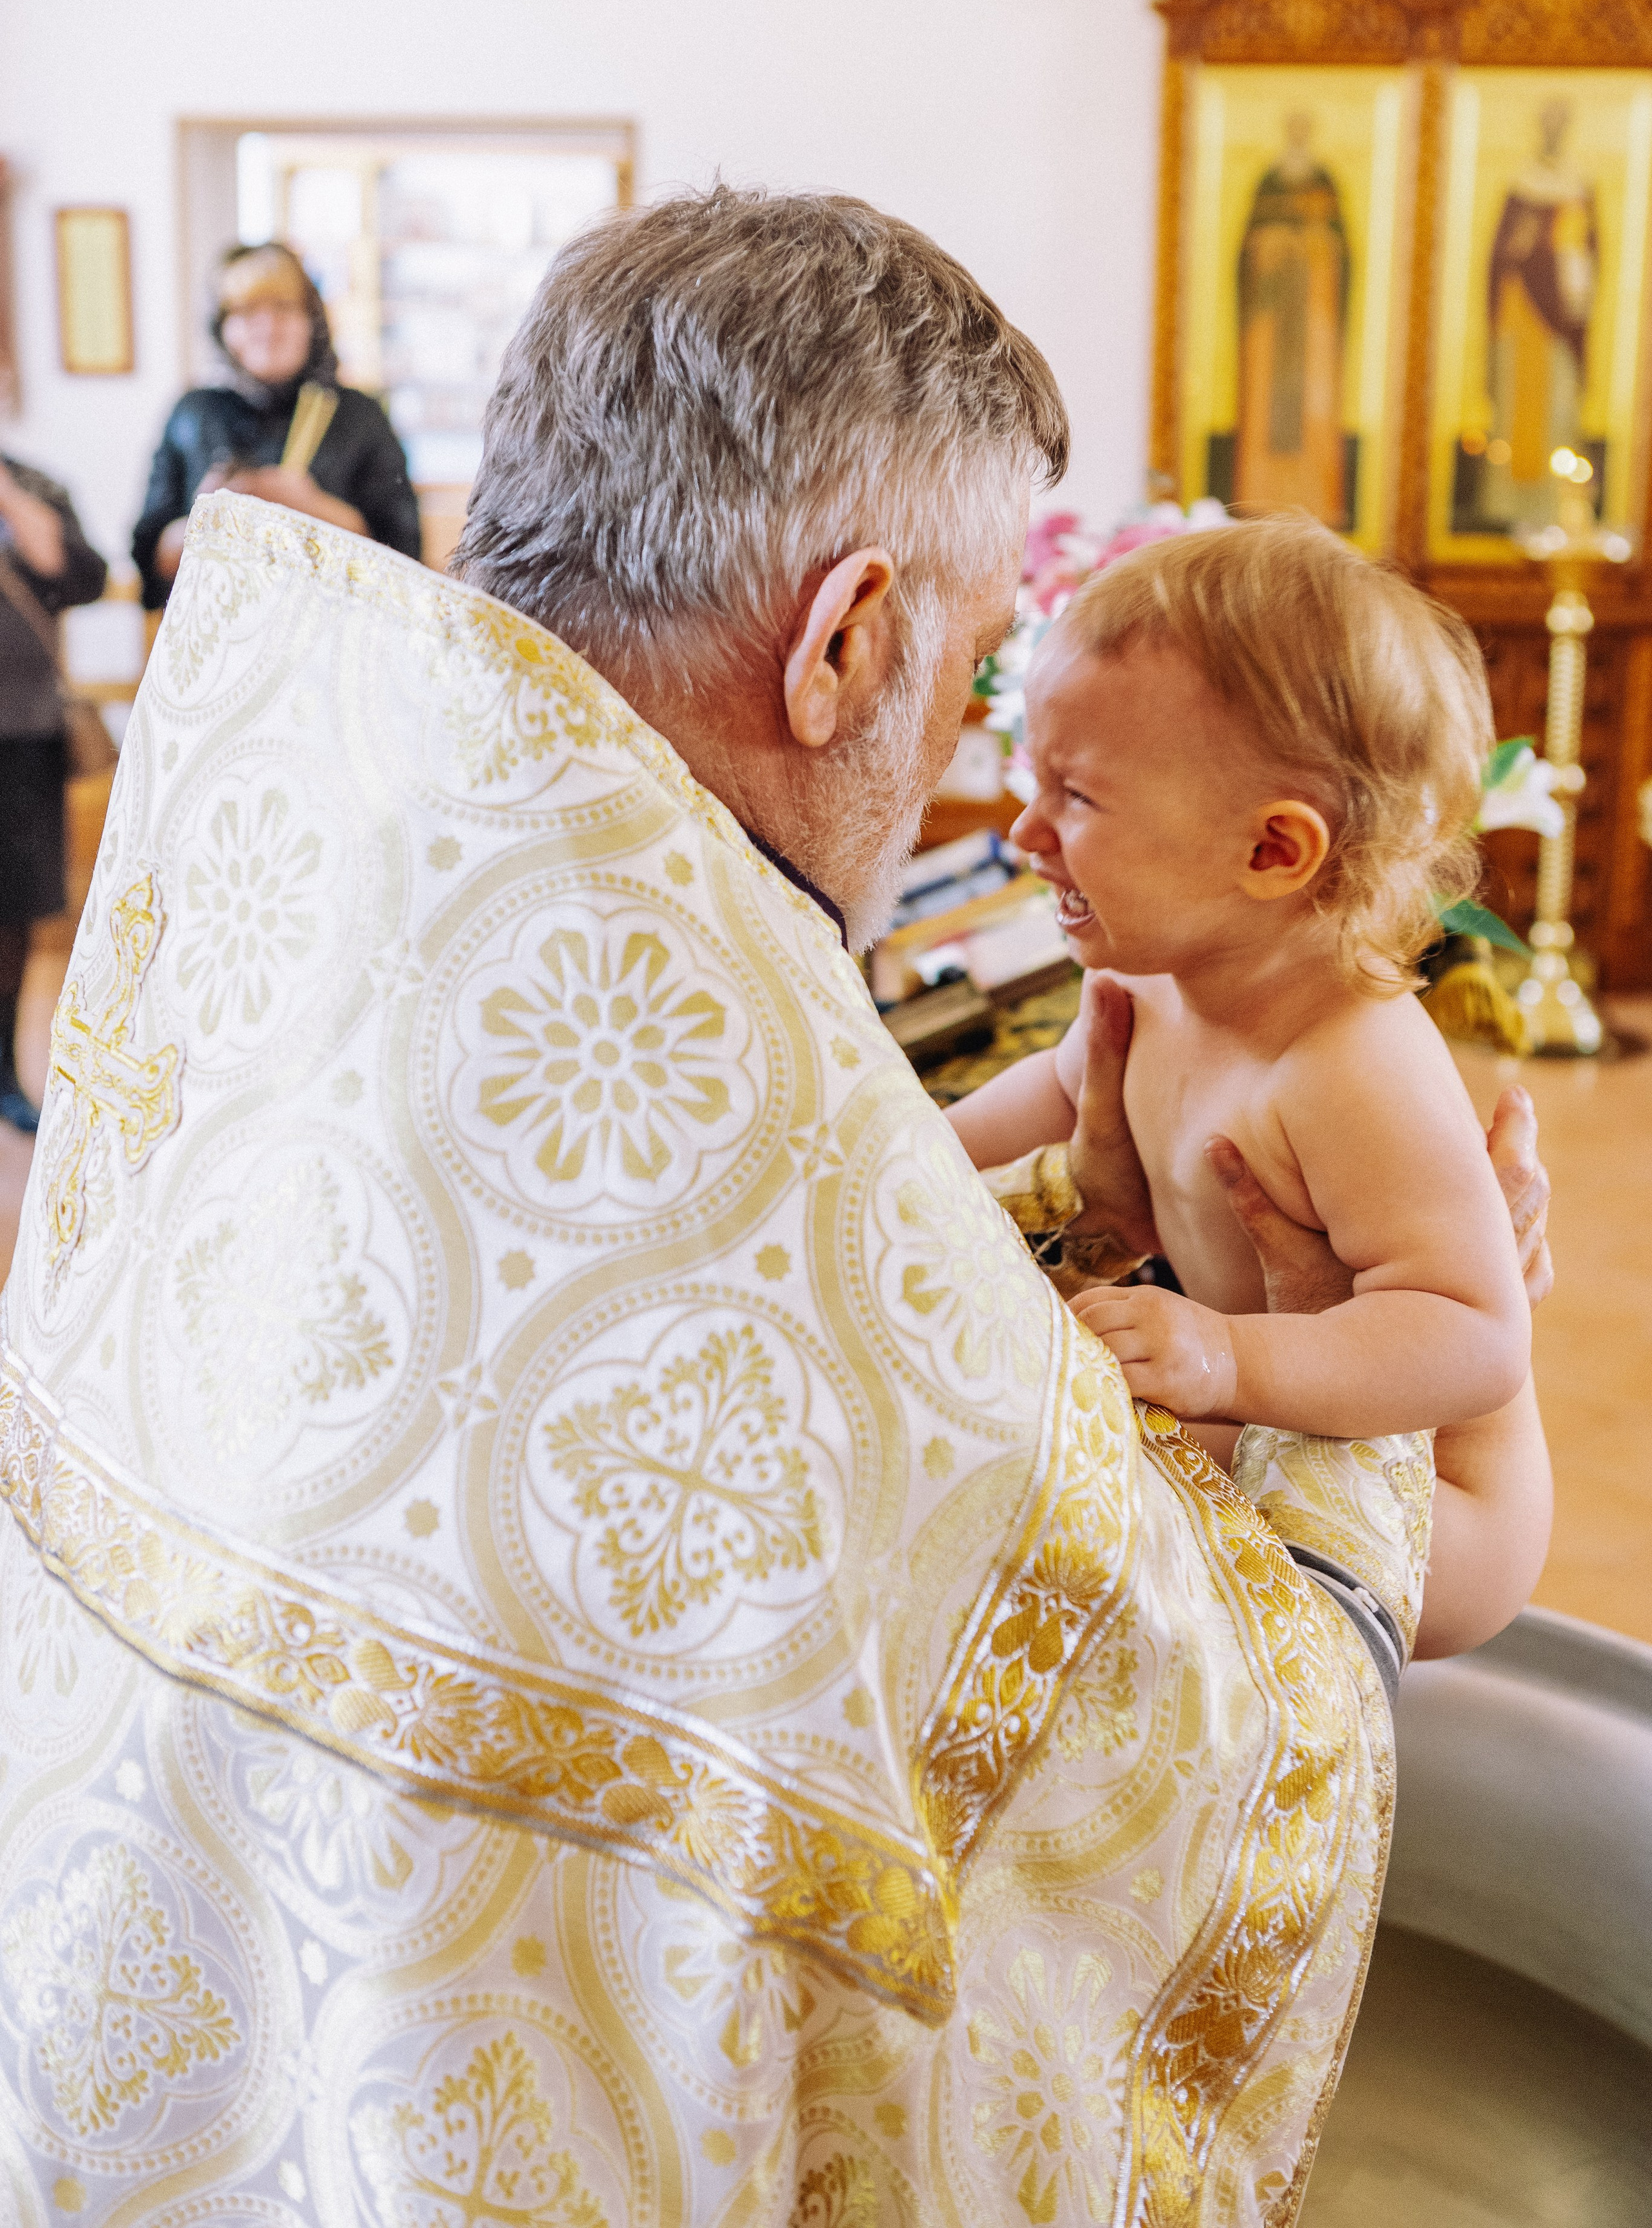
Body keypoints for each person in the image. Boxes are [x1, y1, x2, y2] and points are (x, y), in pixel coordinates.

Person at [0, 191, 1551, 2228]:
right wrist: (1396, 1362)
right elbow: (1168, 1754)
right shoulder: (722, 1112)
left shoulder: (337, 837)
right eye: (976, 662)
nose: (976, 775)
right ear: (842, 643)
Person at [946, 513, 1550, 1652]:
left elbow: (1474, 1333)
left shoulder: (1354, 1063)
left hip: (1438, 1509)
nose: (1026, 831)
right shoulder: (1161, 986)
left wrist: (1230, 1359)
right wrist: (895, 1152)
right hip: (1259, 1417)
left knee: (1063, 1481)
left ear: (1273, 852)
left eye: (1076, 795)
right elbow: (1041, 1104)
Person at [131, 239, 421, 604]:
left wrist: (309, 505)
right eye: (247, 311)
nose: (267, 327)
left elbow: (405, 559)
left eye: (284, 308)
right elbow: (149, 563)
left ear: (311, 320)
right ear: (222, 327)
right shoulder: (194, 413)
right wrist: (207, 515)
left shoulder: (358, 414)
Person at [0, 453, 107, 1132]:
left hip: (24, 728)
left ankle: (4, 1073)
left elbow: (77, 576)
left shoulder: (33, 482)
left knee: (16, 909)